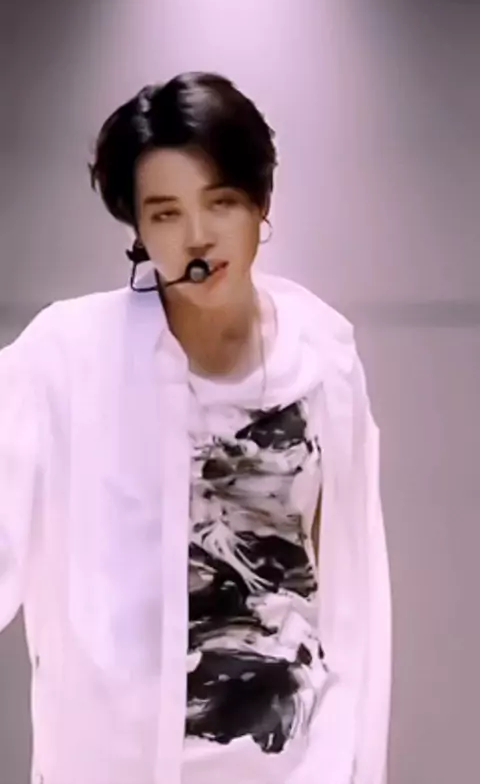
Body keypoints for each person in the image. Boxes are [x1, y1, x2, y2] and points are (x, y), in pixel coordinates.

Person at [0, 72, 391, 784]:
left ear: (261, 203)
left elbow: (351, 592)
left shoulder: (322, 359)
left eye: (221, 202)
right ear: (137, 227)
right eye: (166, 213)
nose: (198, 236)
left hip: (296, 765)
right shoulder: (64, 359)